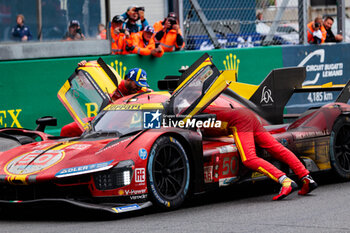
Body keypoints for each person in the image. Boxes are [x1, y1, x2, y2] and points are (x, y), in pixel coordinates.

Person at [202, 106, 318, 200]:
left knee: (249, 159)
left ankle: (285, 181)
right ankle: (307, 178)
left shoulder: (189, 117)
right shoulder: (198, 107)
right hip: (246, 115)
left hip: (239, 120)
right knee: (277, 148)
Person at [60, 65, 151, 137]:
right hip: (103, 119)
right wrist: (85, 67)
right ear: (128, 80)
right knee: (66, 129)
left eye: (141, 84)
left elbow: (156, 99)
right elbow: (88, 84)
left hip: (124, 125)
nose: (139, 87)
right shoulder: (113, 84)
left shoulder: (143, 91)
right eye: (137, 84)